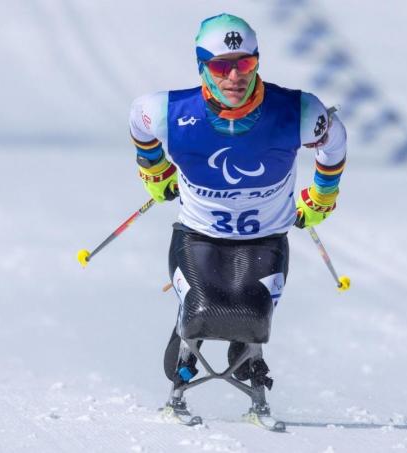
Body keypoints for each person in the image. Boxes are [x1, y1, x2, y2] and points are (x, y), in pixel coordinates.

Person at [128, 13, 347, 428]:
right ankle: (184, 358)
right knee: (201, 312)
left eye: (245, 63)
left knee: (252, 321)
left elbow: (334, 140)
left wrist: (322, 196)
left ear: (257, 62)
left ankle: (249, 370)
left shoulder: (297, 111)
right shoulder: (169, 111)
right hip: (198, 236)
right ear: (202, 67)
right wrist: (154, 170)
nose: (234, 77)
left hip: (265, 240)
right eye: (221, 66)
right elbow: (138, 120)